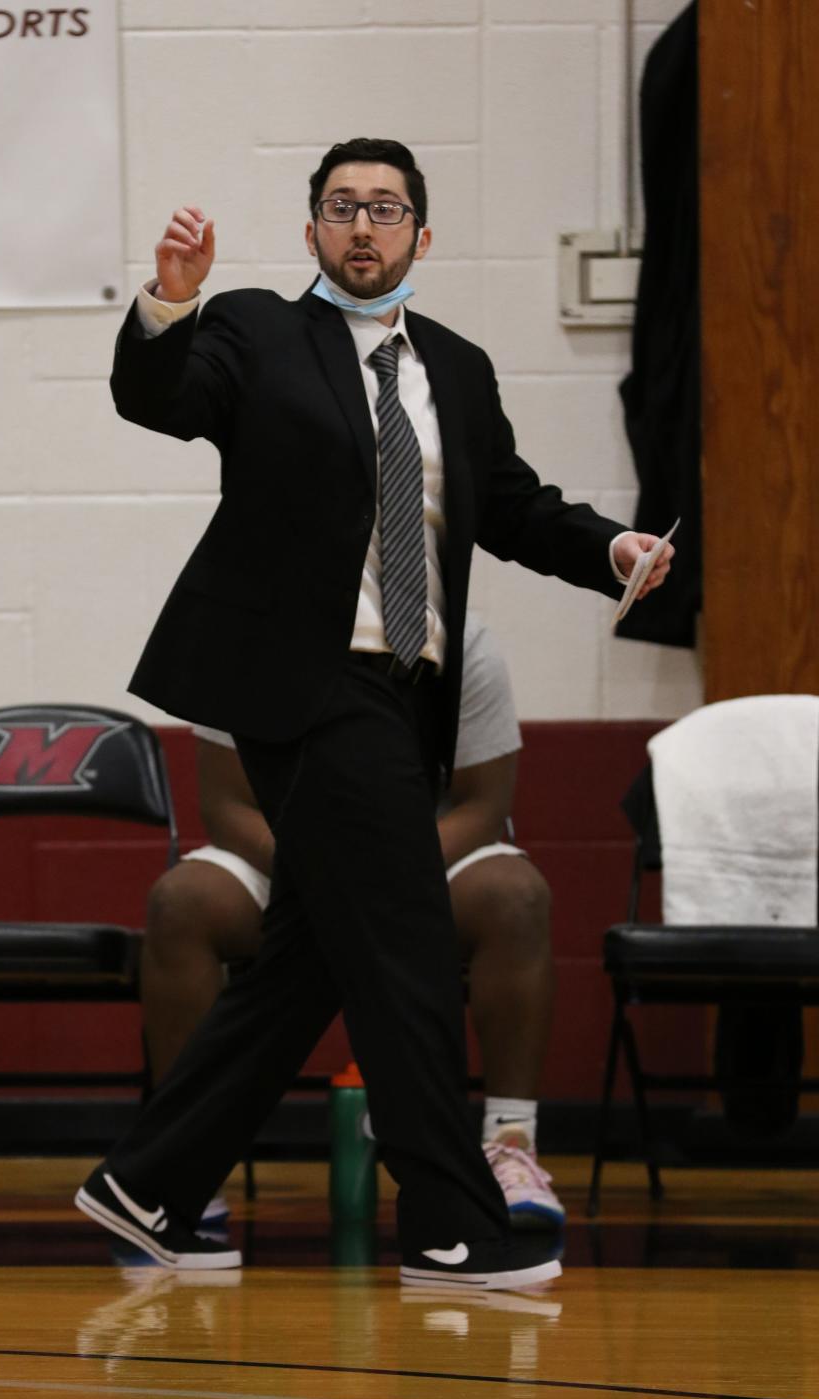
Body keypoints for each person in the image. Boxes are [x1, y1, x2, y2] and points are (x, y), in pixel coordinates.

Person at [75, 137, 673, 1290]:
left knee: (310, 958)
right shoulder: (253, 332)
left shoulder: (457, 364)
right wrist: (170, 302)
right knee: (401, 949)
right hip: (301, 687)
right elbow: (156, 399)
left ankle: (147, 1184)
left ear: (421, 237)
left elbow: (506, 505)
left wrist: (610, 550)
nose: (364, 227)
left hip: (408, 694)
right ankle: (451, 1223)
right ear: (311, 233)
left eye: (386, 209)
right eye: (342, 208)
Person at [142, 615, 564, 1228]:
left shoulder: (461, 639)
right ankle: (183, 1165)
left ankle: (511, 1144)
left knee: (515, 896)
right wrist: (324, 872)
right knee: (181, 903)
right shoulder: (242, 629)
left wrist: (382, 873)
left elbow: (482, 804)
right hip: (289, 857)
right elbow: (227, 804)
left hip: (423, 855)